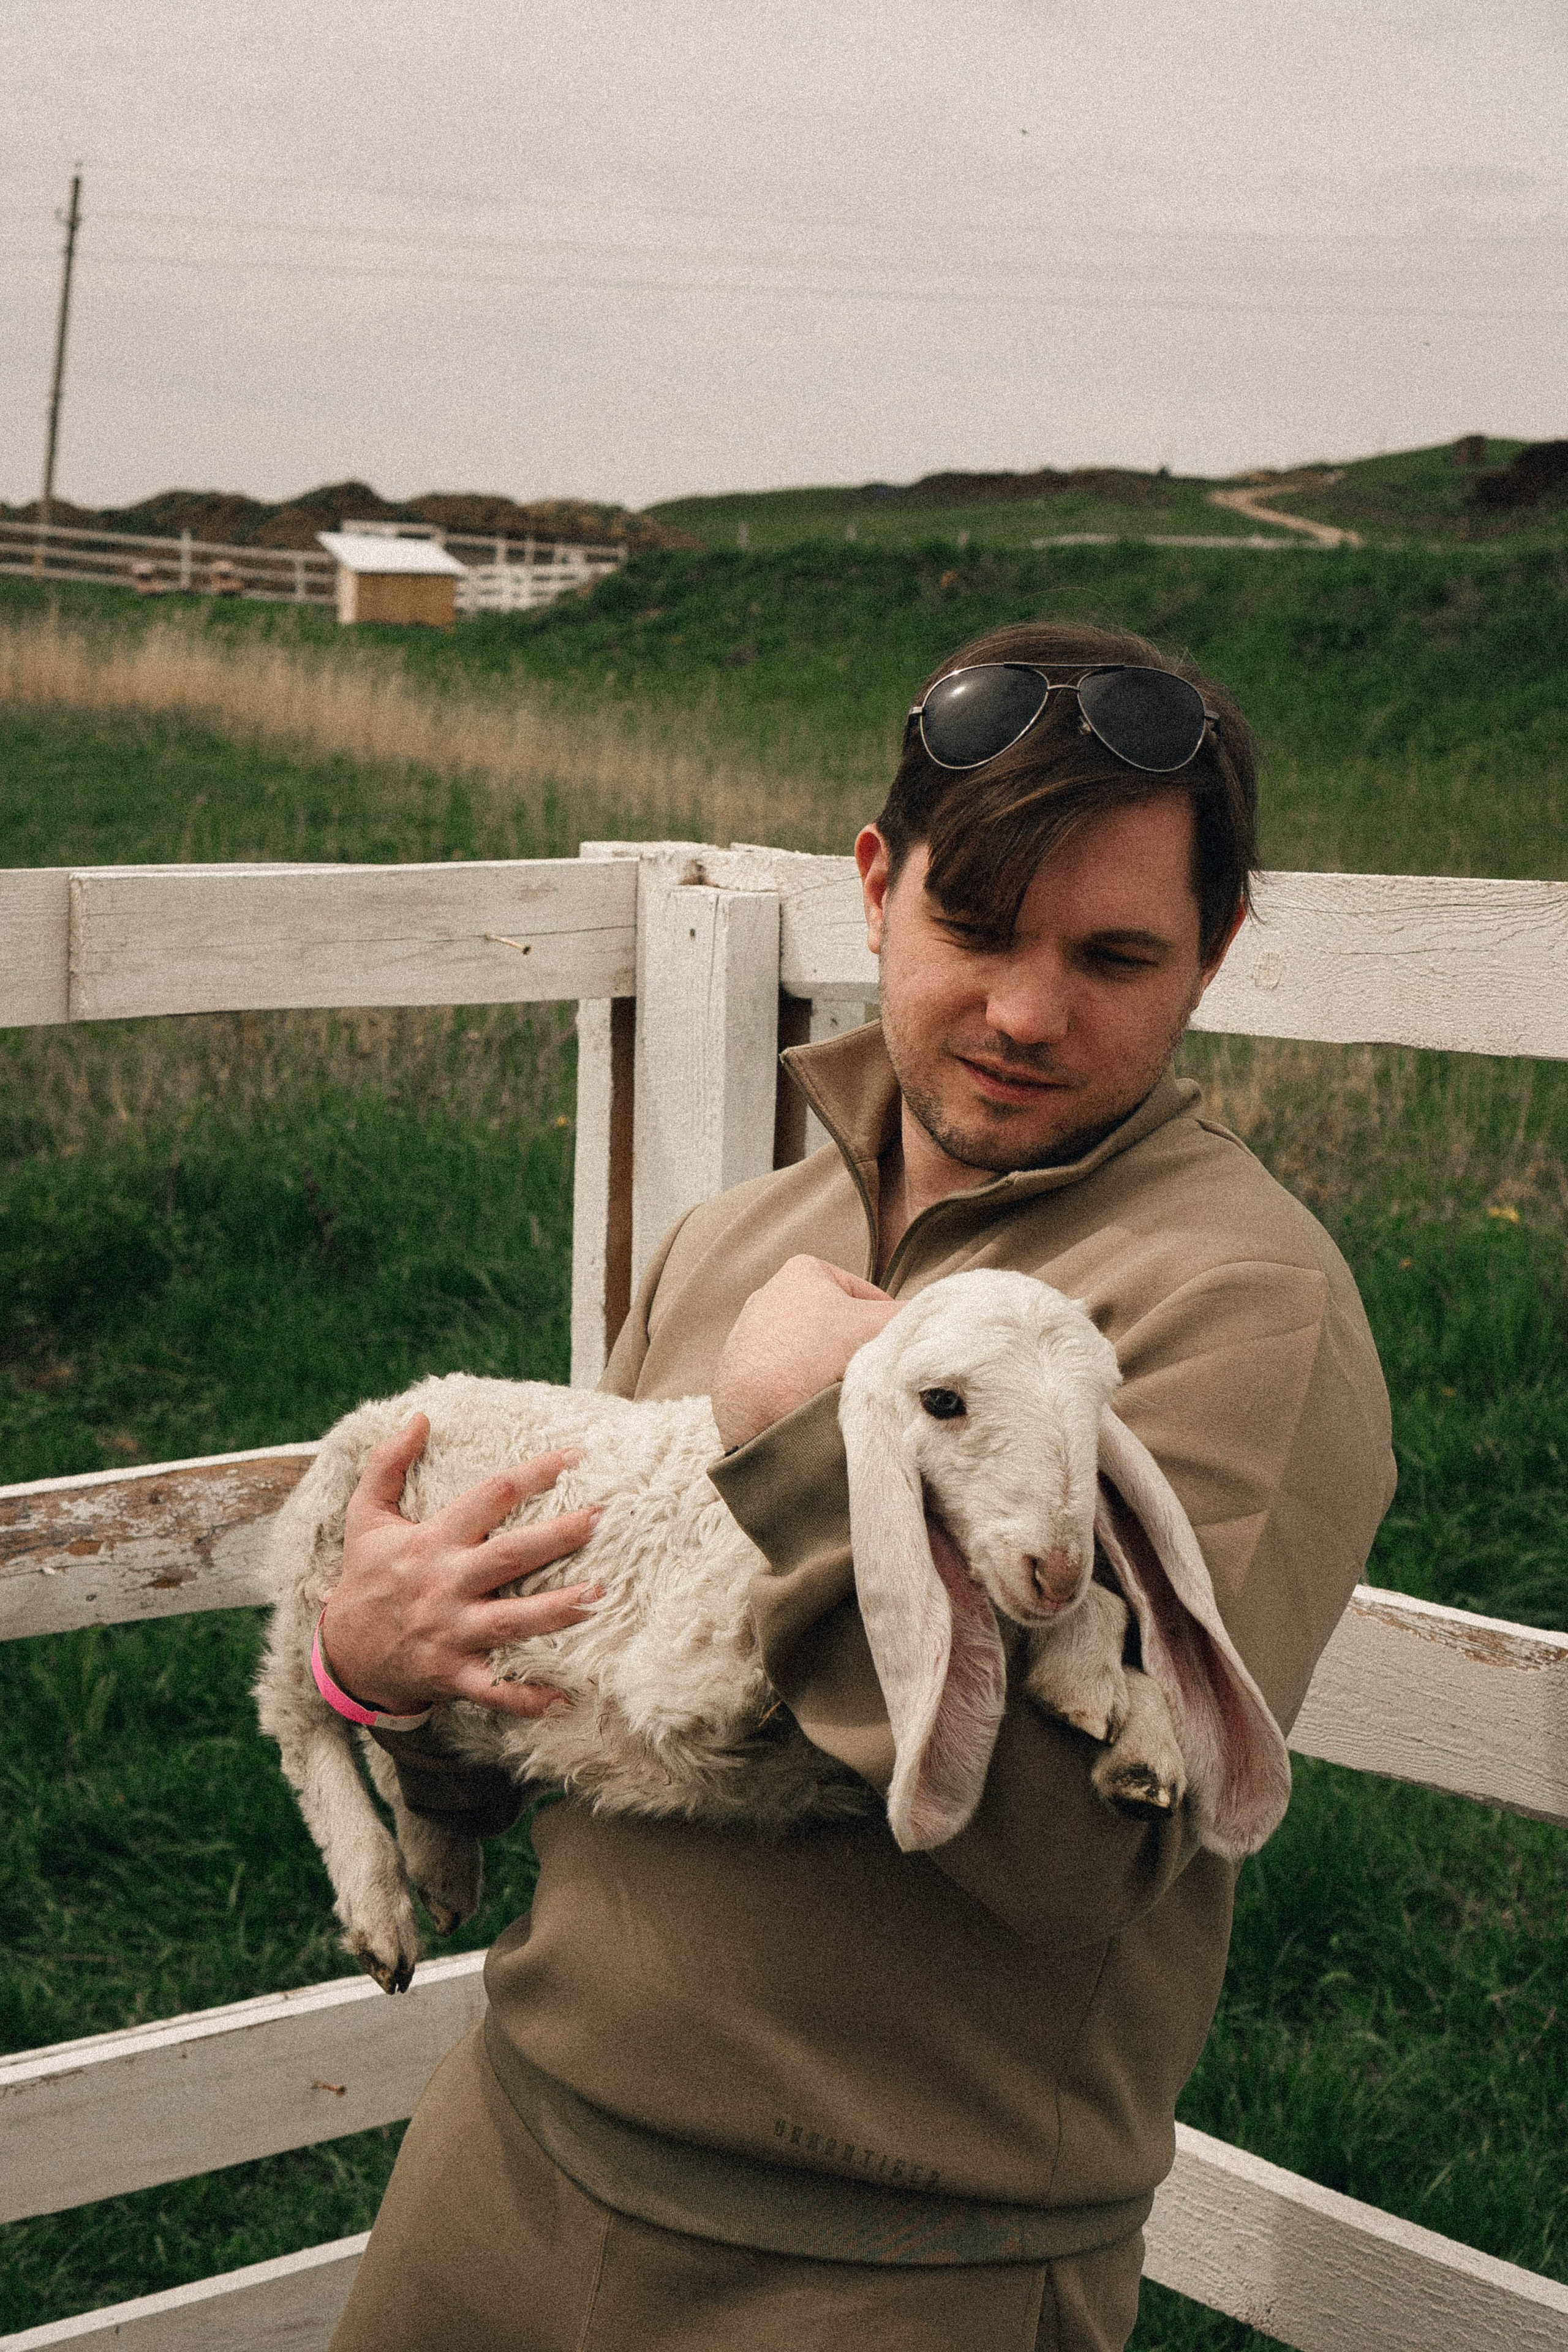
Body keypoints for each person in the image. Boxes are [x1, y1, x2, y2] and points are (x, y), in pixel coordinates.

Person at [323, 619, 1395, 2352]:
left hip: (890, 2270)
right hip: (504, 2160)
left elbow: (1076, 1860)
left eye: (1117, 954)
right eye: (974, 927)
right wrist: (386, 1678)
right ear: (877, 887)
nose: (1028, 1013)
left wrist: (805, 1450)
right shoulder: (737, 1241)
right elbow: (575, 1704)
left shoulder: (1234, 1310)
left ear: (1218, 956)